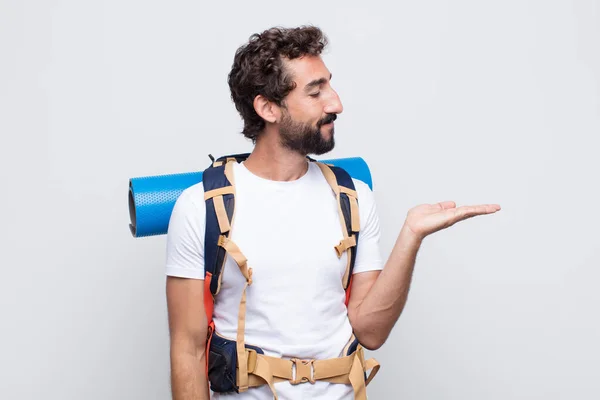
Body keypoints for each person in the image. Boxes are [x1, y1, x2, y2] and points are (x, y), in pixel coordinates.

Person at [164, 25, 501, 400]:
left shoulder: (353, 197)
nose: (335, 103)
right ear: (268, 108)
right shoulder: (200, 206)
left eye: (330, 85)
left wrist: (411, 236)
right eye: (315, 91)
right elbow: (187, 350)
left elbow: (370, 331)